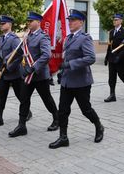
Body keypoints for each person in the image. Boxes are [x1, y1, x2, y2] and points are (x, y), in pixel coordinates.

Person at [49, 9, 104, 149]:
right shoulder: (68, 38)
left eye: (73, 20)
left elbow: (91, 58)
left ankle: (99, 126)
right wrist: (62, 71)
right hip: (67, 81)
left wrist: (70, 64)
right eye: (69, 20)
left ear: (81, 22)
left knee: (85, 109)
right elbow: (66, 56)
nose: (70, 22)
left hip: (81, 82)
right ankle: (63, 137)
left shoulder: (85, 38)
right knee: (63, 110)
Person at [8, 12, 59, 137]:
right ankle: (21, 126)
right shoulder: (26, 37)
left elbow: (46, 55)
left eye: (31, 21)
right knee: (24, 99)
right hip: (27, 75)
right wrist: (7, 60)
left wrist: (33, 68)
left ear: (38, 22)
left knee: (46, 99)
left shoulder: (43, 37)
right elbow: (19, 51)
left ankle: (57, 119)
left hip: (40, 75)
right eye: (28, 21)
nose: (28, 23)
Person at [0, 15, 31, 128]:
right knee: (1, 96)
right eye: (0, 24)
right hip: (3, 73)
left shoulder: (14, 39)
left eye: (3, 23)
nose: (1, 25)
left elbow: (19, 55)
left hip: (14, 72)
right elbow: (0, 55)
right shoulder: (0, 39)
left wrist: (9, 67)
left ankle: (27, 112)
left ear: (9, 25)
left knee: (20, 95)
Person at [104, 13, 124, 102]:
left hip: (121, 58)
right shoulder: (111, 32)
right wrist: (107, 57)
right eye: (114, 20)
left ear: (121, 21)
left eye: (116, 20)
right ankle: (112, 95)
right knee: (111, 77)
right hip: (112, 58)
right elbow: (110, 46)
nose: (114, 21)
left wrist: (119, 56)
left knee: (123, 75)